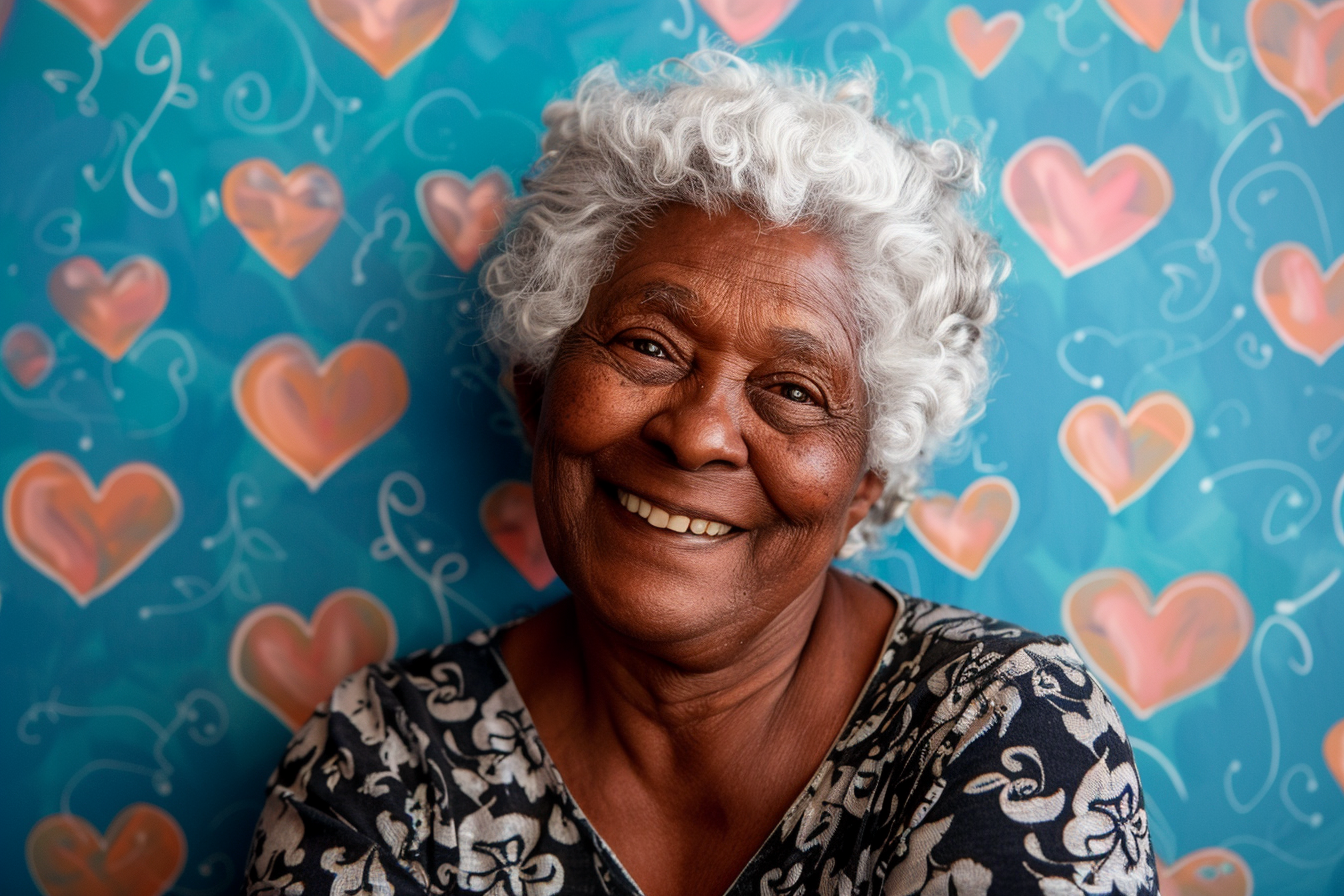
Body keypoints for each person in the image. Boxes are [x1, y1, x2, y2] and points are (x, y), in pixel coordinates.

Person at [245, 52, 1157, 896]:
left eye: (795, 390)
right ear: (536, 396)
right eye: (648, 344)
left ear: (864, 488)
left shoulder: (1006, 728)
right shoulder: (381, 764)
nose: (698, 435)